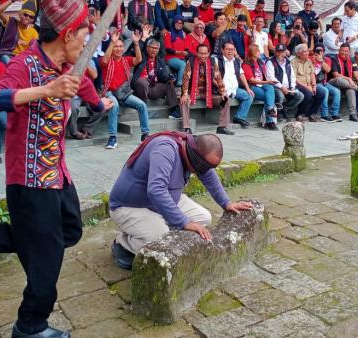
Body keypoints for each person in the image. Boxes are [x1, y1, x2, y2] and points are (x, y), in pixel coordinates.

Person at [0, 0, 114, 338]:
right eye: (86, 37)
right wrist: (45, 91)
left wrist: (99, 103)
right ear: (68, 34)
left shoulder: (70, 65)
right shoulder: (26, 63)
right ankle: (30, 326)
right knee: (47, 258)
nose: (88, 46)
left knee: (70, 230)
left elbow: (82, 86)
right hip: (28, 178)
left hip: (57, 172)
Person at [108, 131, 254, 269]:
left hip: (162, 202)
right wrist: (184, 222)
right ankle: (123, 243)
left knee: (203, 218)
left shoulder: (191, 148)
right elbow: (156, 190)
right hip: (130, 206)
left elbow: (208, 174)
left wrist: (227, 203)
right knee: (160, 238)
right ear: (194, 158)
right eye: (204, 166)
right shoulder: (165, 149)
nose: (206, 170)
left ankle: (162, 225)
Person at [100, 29, 149, 148]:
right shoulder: (107, 60)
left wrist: (136, 43)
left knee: (142, 105)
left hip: (123, 93)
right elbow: (104, 61)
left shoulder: (126, 60)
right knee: (114, 105)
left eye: (121, 46)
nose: (119, 49)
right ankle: (112, 137)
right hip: (109, 92)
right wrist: (112, 42)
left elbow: (139, 60)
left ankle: (145, 135)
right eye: (116, 47)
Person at [179, 43, 228, 134]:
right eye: (201, 53)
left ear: (208, 53)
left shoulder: (213, 62)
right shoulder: (191, 61)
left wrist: (222, 91)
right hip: (193, 92)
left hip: (209, 92)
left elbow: (218, 77)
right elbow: (186, 78)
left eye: (205, 53)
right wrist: (185, 94)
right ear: (197, 53)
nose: (203, 56)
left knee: (225, 99)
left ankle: (222, 127)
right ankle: (186, 128)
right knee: (184, 101)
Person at [132, 38, 181, 119]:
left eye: (156, 48)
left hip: (153, 87)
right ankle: (143, 106)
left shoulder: (160, 60)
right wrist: (140, 41)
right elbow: (136, 51)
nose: (154, 50)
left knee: (168, 84)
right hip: (140, 87)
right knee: (142, 81)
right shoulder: (142, 57)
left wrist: (170, 77)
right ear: (147, 47)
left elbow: (163, 76)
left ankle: (173, 111)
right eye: (152, 47)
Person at [215, 41, 254, 132]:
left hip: (234, 89)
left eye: (232, 49)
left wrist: (247, 88)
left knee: (249, 95)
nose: (230, 51)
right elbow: (214, 77)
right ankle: (224, 124)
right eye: (227, 49)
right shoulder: (217, 60)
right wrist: (221, 89)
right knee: (225, 100)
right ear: (222, 50)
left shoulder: (236, 61)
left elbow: (241, 74)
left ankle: (239, 117)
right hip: (221, 89)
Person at [0, 0, 38, 64]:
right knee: (8, 61)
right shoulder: (11, 22)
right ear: (20, 14)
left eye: (31, 17)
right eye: (25, 15)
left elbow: (35, 49)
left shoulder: (34, 32)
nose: (28, 18)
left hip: (23, 59)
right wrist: (13, 0)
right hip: (8, 54)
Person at [243, 44, 278, 130]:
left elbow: (264, 76)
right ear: (252, 52)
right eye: (258, 51)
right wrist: (267, 82)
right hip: (252, 87)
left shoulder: (260, 62)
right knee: (269, 97)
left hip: (262, 85)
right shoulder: (246, 64)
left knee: (270, 88)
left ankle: (270, 109)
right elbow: (252, 80)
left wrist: (269, 81)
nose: (260, 52)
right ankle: (270, 122)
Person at [266, 44, 304, 120]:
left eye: (282, 52)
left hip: (288, 87)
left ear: (285, 52)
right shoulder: (270, 62)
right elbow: (271, 78)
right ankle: (279, 113)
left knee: (300, 96)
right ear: (275, 52)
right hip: (276, 87)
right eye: (278, 52)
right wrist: (282, 87)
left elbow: (292, 76)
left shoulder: (288, 62)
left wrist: (292, 87)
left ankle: (284, 109)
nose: (280, 54)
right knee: (280, 95)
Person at [291, 44, 325, 122]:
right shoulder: (293, 62)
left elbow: (312, 74)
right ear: (298, 54)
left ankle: (312, 113)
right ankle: (300, 114)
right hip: (298, 85)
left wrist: (314, 85)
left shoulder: (309, 61)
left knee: (321, 93)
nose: (308, 53)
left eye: (307, 51)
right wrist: (307, 87)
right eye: (305, 51)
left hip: (309, 84)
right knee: (308, 94)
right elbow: (294, 79)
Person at [327, 43, 358, 122]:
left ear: (349, 52)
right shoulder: (334, 58)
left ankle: (352, 114)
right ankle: (357, 88)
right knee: (339, 79)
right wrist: (349, 79)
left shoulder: (352, 60)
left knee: (351, 91)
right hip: (333, 82)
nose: (344, 52)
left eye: (346, 51)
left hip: (346, 84)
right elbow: (335, 75)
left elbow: (356, 73)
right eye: (342, 50)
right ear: (339, 50)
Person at [311, 45, 341, 122]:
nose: (320, 52)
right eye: (318, 51)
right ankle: (324, 115)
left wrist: (321, 61)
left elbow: (328, 70)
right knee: (325, 91)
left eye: (322, 51)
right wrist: (314, 60)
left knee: (337, 91)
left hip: (324, 82)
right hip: (314, 83)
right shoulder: (310, 58)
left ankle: (334, 114)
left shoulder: (327, 59)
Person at [164, 15, 188, 87]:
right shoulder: (169, 34)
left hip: (182, 58)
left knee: (188, 65)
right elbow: (168, 49)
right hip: (171, 58)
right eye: (177, 23)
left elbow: (186, 48)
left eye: (181, 23)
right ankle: (179, 84)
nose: (179, 25)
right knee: (183, 65)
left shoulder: (184, 34)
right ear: (173, 23)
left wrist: (186, 52)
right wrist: (179, 52)